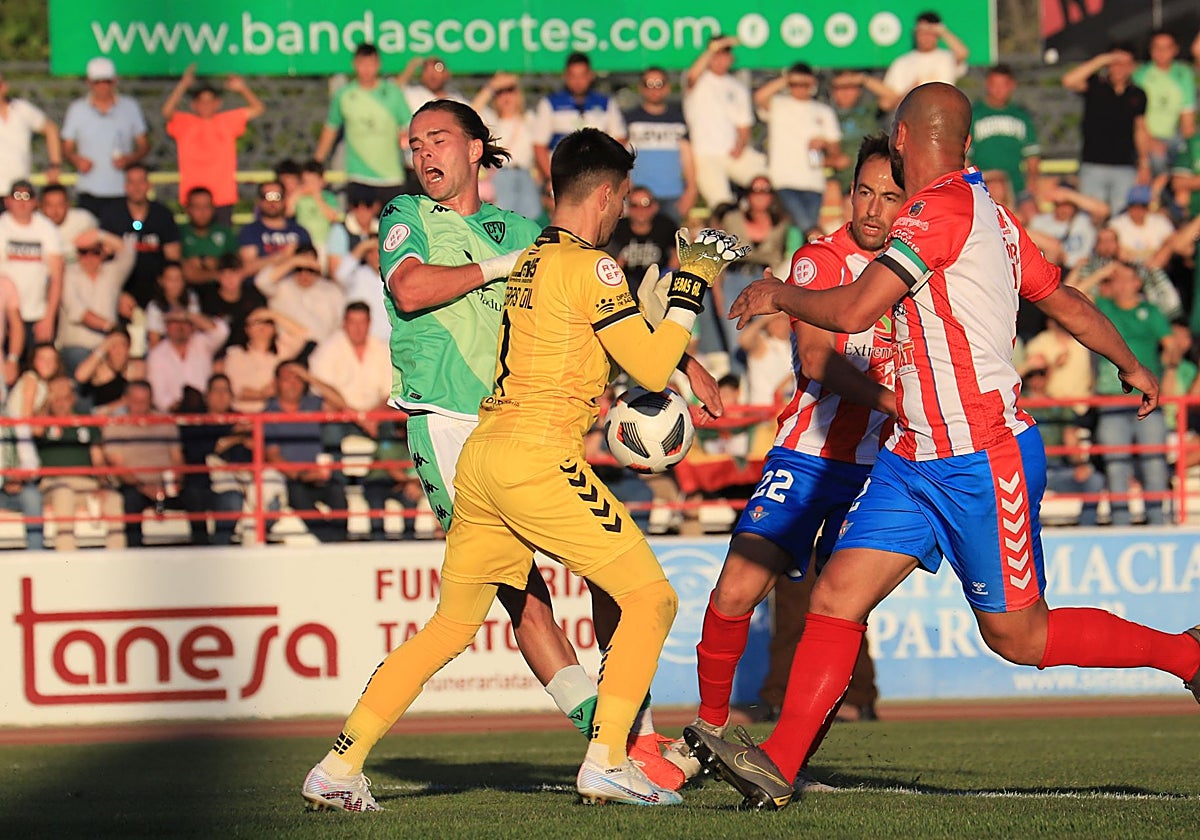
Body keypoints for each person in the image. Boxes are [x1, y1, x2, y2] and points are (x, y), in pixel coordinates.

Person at [689, 82, 1200, 812]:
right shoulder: (995, 215)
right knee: (835, 596)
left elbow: (858, 306)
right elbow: (1065, 301)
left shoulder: (941, 211)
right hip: (911, 456)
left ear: (901, 137)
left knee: (1019, 637)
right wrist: (1130, 362)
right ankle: (778, 764)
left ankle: (1188, 655)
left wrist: (779, 292)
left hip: (982, 458)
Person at [301, 124, 744, 811]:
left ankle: (338, 764)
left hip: (483, 458)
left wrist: (663, 337)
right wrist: (691, 284)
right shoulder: (590, 265)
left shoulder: (530, 256)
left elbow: (589, 335)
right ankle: (607, 758)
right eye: (622, 198)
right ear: (606, 194)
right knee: (652, 597)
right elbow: (648, 364)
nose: (623, 210)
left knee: (450, 627)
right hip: (536, 456)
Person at [664, 135, 903, 790]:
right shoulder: (818, 260)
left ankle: (785, 757)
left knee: (840, 615)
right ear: (847, 191)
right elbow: (821, 361)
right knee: (737, 587)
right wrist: (899, 400)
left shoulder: (922, 270)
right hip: (808, 455)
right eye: (864, 191)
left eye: (890, 195)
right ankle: (707, 733)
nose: (874, 207)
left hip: (886, 469)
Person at [1092, 261, 1173, 526]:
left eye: (1124, 279)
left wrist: (1170, 370)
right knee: (1116, 466)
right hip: (1110, 400)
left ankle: (1157, 522)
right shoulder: (1104, 308)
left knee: (1155, 465)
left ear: (1137, 283)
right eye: (1114, 279)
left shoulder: (1150, 312)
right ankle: (1120, 524)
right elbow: (1072, 294)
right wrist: (1103, 271)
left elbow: (1171, 346)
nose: (1118, 284)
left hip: (1148, 400)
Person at [163, 65, 264, 226]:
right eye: (201, 102)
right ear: (193, 105)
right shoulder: (185, 122)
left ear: (218, 103)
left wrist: (242, 88)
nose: (206, 105)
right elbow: (167, 112)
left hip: (222, 196)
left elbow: (258, 109)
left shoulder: (227, 121)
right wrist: (182, 86)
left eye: (210, 101)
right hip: (194, 196)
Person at [262, 359, 349, 544]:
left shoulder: (312, 404)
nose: (293, 383)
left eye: (298, 379)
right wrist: (301, 474)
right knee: (300, 499)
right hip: (294, 479)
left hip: (320, 475)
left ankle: (338, 544)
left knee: (339, 495)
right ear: (276, 383)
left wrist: (309, 376)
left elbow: (340, 403)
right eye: (287, 378)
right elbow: (273, 455)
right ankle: (337, 545)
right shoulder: (269, 412)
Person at [315, 42, 412, 207]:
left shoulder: (393, 92)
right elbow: (330, 128)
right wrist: (316, 164)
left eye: (371, 64)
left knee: (392, 228)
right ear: (354, 64)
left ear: (378, 65)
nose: (367, 69)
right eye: (362, 64)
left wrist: (404, 138)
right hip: (358, 175)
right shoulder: (344, 95)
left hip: (391, 176)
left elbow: (408, 125)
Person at [34, 375, 125, 550]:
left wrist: (102, 484)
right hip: (53, 484)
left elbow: (98, 459)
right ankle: (67, 555)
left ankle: (117, 556)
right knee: (64, 493)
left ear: (73, 399)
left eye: (65, 398)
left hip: (85, 484)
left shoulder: (86, 422)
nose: (61, 403)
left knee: (114, 499)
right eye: (56, 399)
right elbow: (35, 429)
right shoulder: (44, 422)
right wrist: (48, 400)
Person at [753, 63, 841, 234]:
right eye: (795, 84)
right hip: (783, 180)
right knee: (808, 227)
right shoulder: (779, 104)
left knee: (804, 230)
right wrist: (787, 79)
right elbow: (759, 97)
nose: (800, 88)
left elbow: (836, 150)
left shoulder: (824, 111)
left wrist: (823, 144)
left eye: (805, 84)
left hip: (814, 182)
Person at [1062, 46, 1151, 214]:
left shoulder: (1138, 94)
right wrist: (1103, 59)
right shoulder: (1096, 85)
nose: (1119, 68)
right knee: (1091, 214)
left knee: (1121, 215)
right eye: (1115, 64)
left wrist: (1144, 163)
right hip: (1093, 163)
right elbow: (1069, 80)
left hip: (1125, 165)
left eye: (1124, 64)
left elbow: (1140, 129)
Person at [683, 34, 766, 211]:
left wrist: (741, 144)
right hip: (705, 155)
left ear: (731, 58)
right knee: (721, 202)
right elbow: (692, 76)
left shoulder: (737, 87)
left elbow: (744, 125)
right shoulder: (698, 81)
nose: (720, 60)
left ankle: (750, 209)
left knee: (767, 179)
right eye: (716, 55)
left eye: (724, 55)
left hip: (733, 152)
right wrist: (713, 47)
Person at [99, 379, 184, 548]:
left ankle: (202, 553)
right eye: (136, 401)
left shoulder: (165, 422)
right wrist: (144, 487)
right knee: (130, 502)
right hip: (134, 485)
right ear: (126, 400)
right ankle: (135, 556)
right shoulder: (116, 426)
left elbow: (177, 459)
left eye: (144, 401)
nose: (141, 406)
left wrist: (174, 484)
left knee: (196, 497)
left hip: (166, 484)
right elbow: (118, 467)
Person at [61, 57, 149, 219]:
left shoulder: (130, 107)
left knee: (122, 237)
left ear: (115, 81)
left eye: (106, 81)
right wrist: (76, 159)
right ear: (89, 82)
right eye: (97, 81)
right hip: (88, 189)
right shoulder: (77, 109)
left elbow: (144, 144)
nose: (102, 86)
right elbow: (66, 147)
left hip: (121, 189)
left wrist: (129, 159)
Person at [1019, 367, 1103, 527]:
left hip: (1057, 470)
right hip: (1024, 472)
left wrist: (1080, 464)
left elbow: (1070, 437)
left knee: (1094, 480)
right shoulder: (1015, 406)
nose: (1037, 380)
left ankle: (1086, 530)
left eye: (1041, 374)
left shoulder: (1059, 406)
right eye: (1032, 375)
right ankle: (1027, 535)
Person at [532, 52, 626, 184]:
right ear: (565, 76)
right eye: (573, 76)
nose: (578, 81)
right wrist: (551, 179)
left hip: (597, 177)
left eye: (582, 76)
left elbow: (619, 139)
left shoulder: (606, 103)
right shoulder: (550, 103)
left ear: (590, 75)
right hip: (563, 177)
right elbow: (539, 145)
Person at [99, 164, 182, 309]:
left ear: (149, 185)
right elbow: (103, 256)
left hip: (156, 290)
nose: (137, 187)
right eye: (132, 182)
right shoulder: (111, 214)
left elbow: (173, 257)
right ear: (125, 186)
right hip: (120, 287)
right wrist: (117, 293)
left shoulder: (163, 215)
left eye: (141, 182)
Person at [624, 67, 698, 223]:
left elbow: (687, 157)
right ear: (640, 88)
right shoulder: (629, 120)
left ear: (667, 88)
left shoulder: (678, 120)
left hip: (672, 197)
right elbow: (622, 158)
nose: (654, 89)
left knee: (671, 243)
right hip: (638, 199)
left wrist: (691, 190)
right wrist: (626, 192)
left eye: (659, 83)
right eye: (648, 84)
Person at [0, 179, 64, 355]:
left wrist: (49, 317)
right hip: (4, 315)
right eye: (17, 196)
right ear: (7, 201)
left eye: (27, 196)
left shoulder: (47, 229)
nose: (22, 201)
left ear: (35, 202)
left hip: (36, 315)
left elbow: (57, 277)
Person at [57, 228, 134, 375]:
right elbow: (78, 312)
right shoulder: (68, 274)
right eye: (84, 252)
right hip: (76, 346)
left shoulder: (112, 273)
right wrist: (111, 327)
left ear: (103, 253)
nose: (89, 257)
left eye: (95, 252)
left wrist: (100, 235)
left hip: (108, 347)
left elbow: (129, 253)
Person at [472, 71, 541, 221]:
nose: (506, 96)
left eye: (510, 90)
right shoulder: (491, 120)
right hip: (501, 177)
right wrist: (491, 87)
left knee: (531, 222)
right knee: (504, 222)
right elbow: (471, 112)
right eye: (500, 92)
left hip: (526, 175)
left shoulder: (529, 118)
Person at [970, 65, 1041, 200]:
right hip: (981, 188)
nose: (998, 90)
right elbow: (966, 157)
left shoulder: (1021, 116)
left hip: (1016, 188)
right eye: (994, 84)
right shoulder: (974, 115)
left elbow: (1032, 155)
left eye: (1003, 85)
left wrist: (1032, 182)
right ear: (987, 85)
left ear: (1012, 85)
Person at [220, 307, 308, 412]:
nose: (262, 327)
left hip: (275, 416)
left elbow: (302, 333)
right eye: (257, 322)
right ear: (247, 329)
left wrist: (273, 314)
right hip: (242, 415)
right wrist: (262, 394)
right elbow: (236, 391)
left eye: (267, 322)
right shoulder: (235, 354)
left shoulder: (282, 350)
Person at [145, 307, 229, 413]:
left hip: (205, 412)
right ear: (167, 327)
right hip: (173, 415)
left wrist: (188, 315)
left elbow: (221, 332)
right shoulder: (157, 354)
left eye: (185, 322)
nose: (180, 327)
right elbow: (158, 394)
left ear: (192, 325)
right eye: (175, 323)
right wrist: (175, 408)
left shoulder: (201, 343)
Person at [881, 11, 968, 109]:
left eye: (930, 33)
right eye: (922, 32)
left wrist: (942, 30)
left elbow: (963, 53)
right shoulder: (902, 62)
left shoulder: (947, 57)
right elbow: (886, 103)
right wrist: (912, 92)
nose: (926, 37)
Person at [605, 186, 678, 297]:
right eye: (634, 205)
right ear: (628, 208)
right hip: (626, 286)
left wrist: (664, 281)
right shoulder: (616, 229)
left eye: (646, 204)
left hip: (659, 284)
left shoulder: (666, 226)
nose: (640, 210)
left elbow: (676, 258)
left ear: (655, 206)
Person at [0, 69, 63, 193]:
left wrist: (55, 166)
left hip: (19, 190)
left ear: (4, 87)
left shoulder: (21, 109)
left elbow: (51, 129)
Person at [237, 181, 312, 277]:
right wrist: (283, 256)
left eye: (277, 196)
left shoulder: (300, 231)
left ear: (285, 199)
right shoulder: (250, 231)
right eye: (267, 196)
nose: (272, 202)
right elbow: (247, 268)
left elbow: (310, 263)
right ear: (259, 200)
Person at [179, 187, 237, 285]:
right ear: (187, 209)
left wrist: (218, 263)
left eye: (207, 206)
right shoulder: (178, 233)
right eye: (197, 207)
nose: (202, 212)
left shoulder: (225, 233)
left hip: (220, 290)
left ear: (213, 208)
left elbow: (236, 264)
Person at [39, 184, 98, 267]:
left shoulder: (84, 219)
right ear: (41, 207)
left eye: (60, 204)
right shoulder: (34, 224)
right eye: (50, 205)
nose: (55, 211)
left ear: (68, 205)